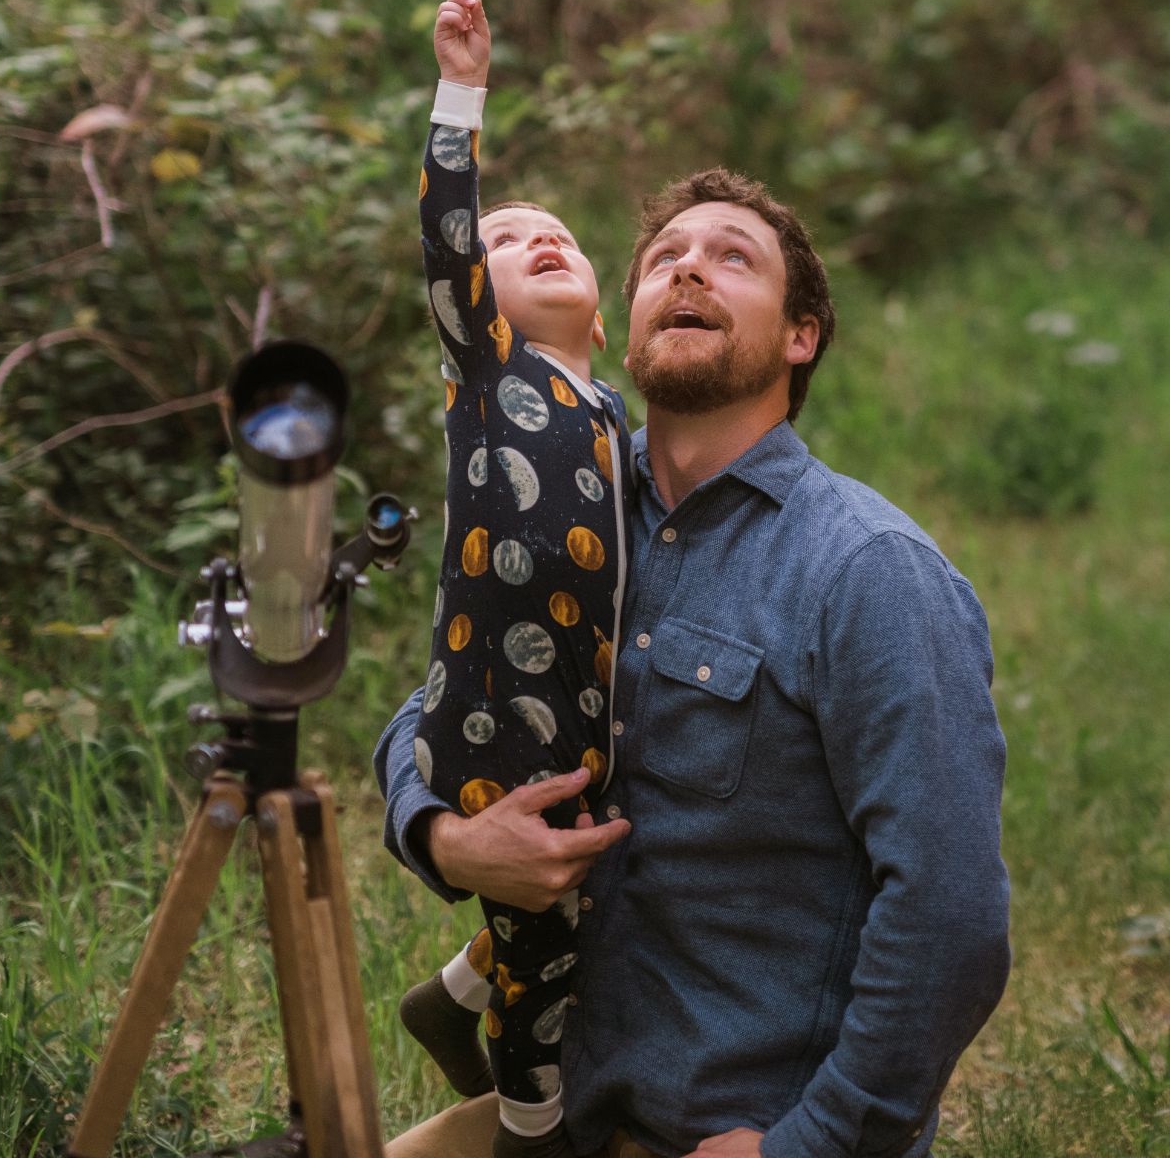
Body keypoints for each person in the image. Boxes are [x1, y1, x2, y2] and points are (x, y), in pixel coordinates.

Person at [374, 143, 1011, 1158]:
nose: (688, 268)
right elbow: (437, 704)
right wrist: (449, 841)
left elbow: (953, 915)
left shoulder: (869, 572)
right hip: (562, 1113)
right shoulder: (561, 505)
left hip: (731, 1132)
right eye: (664, 256)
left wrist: (813, 1145)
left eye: (734, 258)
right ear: (614, 329)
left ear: (801, 336)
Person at [401, 0, 633, 1158]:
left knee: (577, 906)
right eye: (507, 236)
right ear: (472, 301)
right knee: (548, 965)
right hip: (496, 729)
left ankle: (448, 993)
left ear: (606, 319)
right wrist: (463, 88)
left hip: (578, 725)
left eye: (561, 232)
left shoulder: (613, 418)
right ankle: (532, 1126)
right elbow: (450, 227)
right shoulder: (490, 378)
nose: (537, 234)